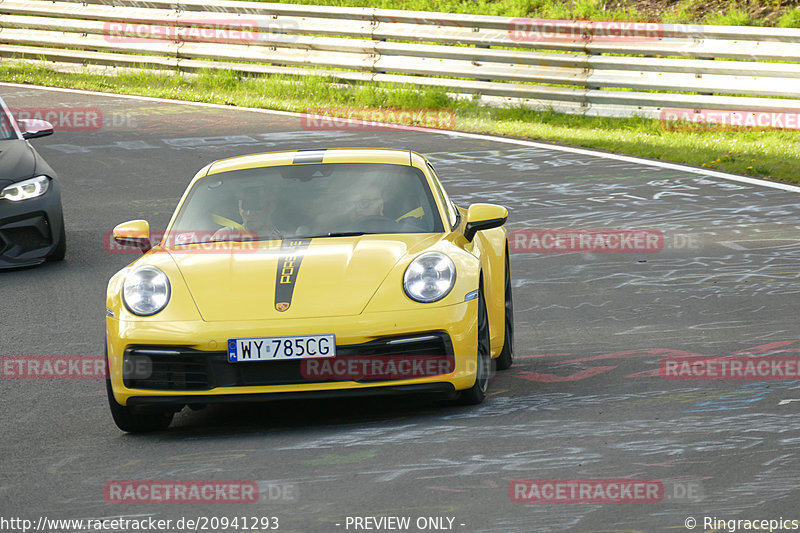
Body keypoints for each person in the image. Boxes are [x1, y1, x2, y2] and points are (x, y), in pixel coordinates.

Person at [213, 187, 282, 241]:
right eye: (244, 207)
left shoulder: (286, 239)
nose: (249, 213)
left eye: (255, 206)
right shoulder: (225, 236)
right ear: (239, 208)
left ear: (271, 207)